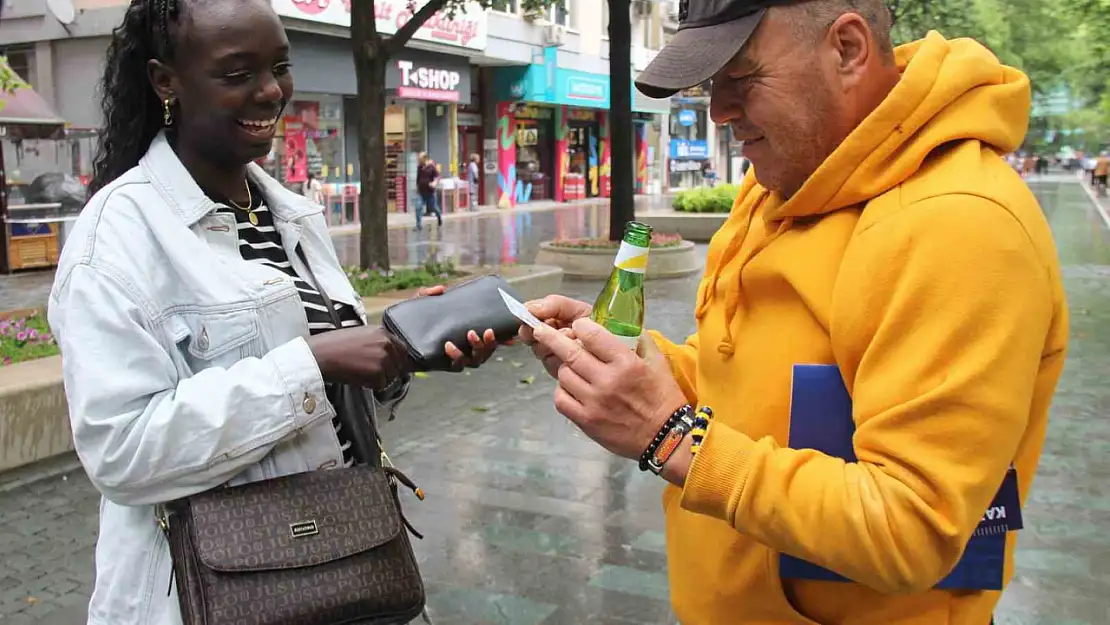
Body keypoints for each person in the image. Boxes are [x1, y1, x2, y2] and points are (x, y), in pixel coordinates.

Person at [521, 1, 1068, 624]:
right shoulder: (788, 175)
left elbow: (912, 530)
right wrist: (628, 366)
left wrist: (672, 437)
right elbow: (745, 375)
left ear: (848, 49)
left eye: (742, 77)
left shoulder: (959, 224)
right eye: (710, 84)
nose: (718, 112)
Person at [47, 1, 499, 623]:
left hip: (346, 564)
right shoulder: (115, 240)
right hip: (208, 595)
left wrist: (398, 351)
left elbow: (329, 409)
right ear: (165, 81)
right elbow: (120, 454)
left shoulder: (287, 213)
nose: (270, 92)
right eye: (237, 73)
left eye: (280, 67)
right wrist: (313, 362)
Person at [415, 154, 442, 230]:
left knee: (433, 208)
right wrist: (417, 187)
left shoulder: (432, 167)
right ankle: (418, 225)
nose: (418, 161)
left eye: (420, 159)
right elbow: (418, 178)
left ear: (424, 159)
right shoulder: (419, 167)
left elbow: (437, 176)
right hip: (421, 192)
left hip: (430, 192)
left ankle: (439, 217)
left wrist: (434, 183)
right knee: (418, 207)